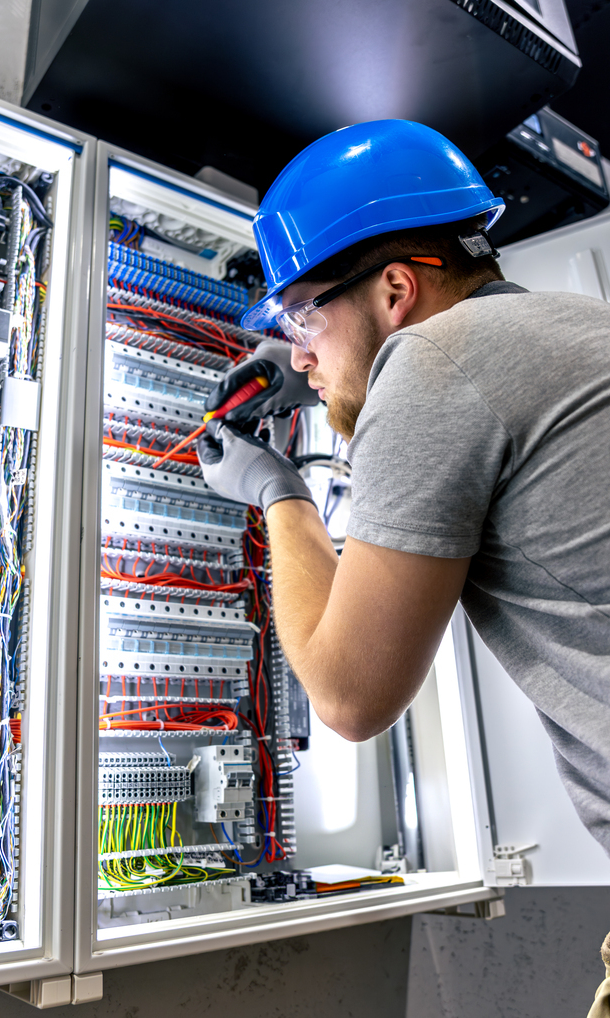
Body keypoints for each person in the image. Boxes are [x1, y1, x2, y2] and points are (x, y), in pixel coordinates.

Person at [197, 119, 610, 856]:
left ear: (396, 288)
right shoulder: (579, 323)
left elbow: (349, 698)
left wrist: (278, 492)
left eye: (302, 316)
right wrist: (332, 349)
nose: (298, 351)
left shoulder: (429, 362)